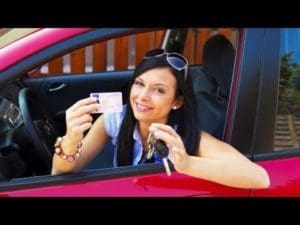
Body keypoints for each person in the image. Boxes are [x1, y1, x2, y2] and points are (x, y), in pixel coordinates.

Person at [51, 48, 270, 189]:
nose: (142, 97)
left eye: (158, 90)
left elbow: (260, 178)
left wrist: (187, 163)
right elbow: (59, 173)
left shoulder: (185, 136)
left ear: (177, 101)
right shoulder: (116, 119)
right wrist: (71, 138)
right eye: (139, 84)